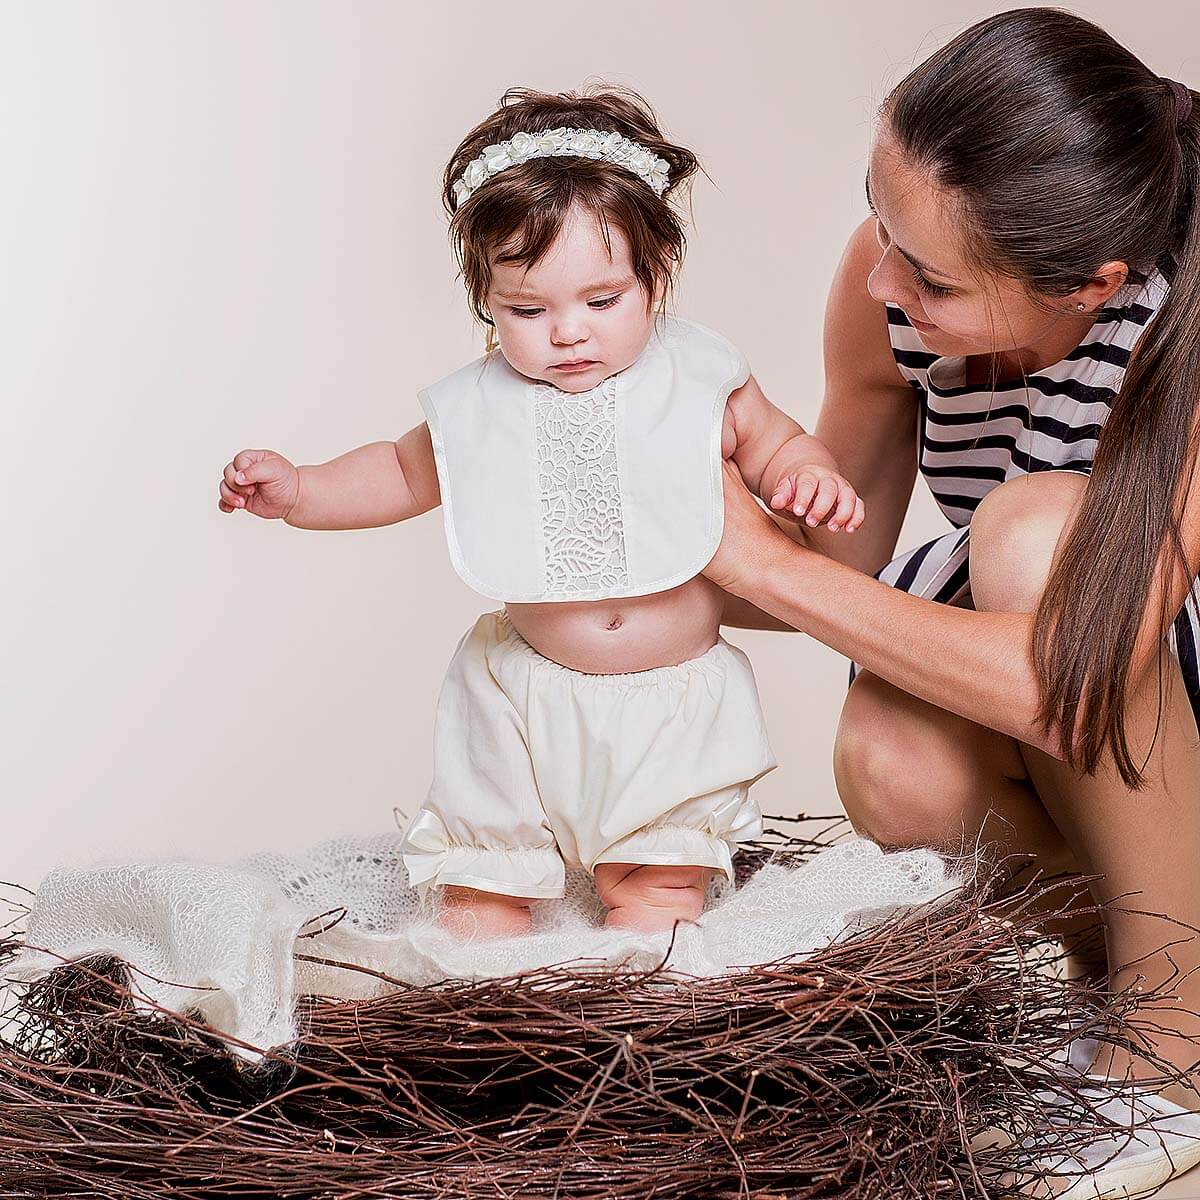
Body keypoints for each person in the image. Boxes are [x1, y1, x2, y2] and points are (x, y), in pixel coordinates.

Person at [703, 0, 1200, 1156]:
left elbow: (1070, 675)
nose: (883, 281)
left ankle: (1177, 1023)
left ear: (1090, 286)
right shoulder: (884, 287)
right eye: (880, 222)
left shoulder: (1176, 319)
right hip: (1077, 695)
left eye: (929, 277)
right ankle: (1124, 962)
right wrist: (623, 552)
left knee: (1030, 535)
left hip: (1153, 678)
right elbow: (834, 562)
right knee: (893, 754)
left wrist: (766, 565)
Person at [217, 85, 864, 939]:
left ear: (655, 275)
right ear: (485, 299)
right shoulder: (482, 403)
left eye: (602, 301)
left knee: (660, 892)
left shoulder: (700, 377)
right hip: (521, 697)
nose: (567, 333)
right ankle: (484, 981)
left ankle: (634, 991)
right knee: (481, 889)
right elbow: (399, 471)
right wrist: (301, 489)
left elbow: (778, 443)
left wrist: (808, 475)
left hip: (670, 706)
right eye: (527, 310)